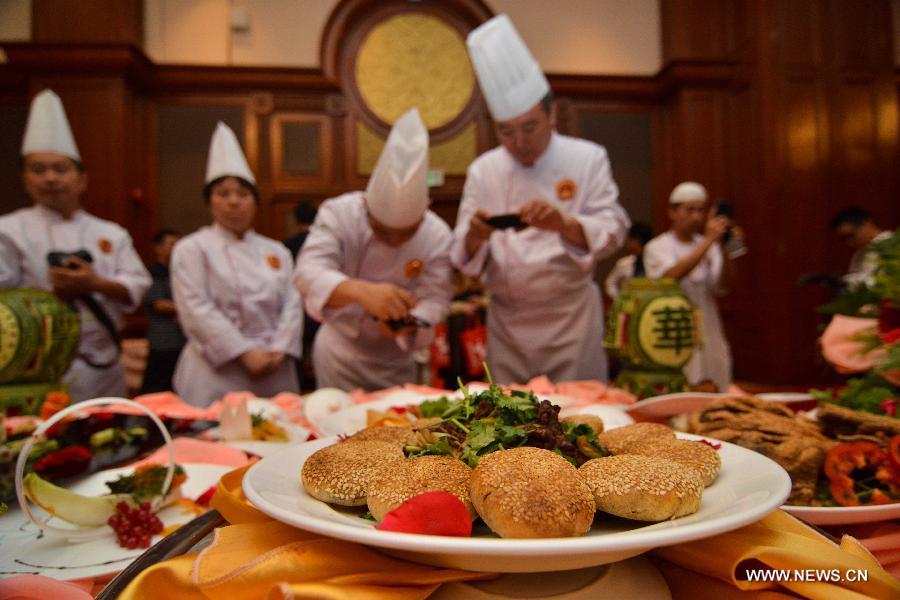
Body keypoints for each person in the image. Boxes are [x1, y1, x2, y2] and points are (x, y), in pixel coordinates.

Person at [451, 15, 630, 385]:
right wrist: (476, 233)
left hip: (571, 320)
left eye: (530, 127)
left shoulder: (587, 157)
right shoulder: (484, 170)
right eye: (506, 132)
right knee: (509, 429)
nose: (520, 142)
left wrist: (562, 223)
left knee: (580, 419)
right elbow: (462, 253)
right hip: (507, 322)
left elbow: (614, 229)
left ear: (551, 113)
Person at [0, 90, 151, 401]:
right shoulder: (8, 230)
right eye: (38, 170)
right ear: (25, 179)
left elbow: (138, 285)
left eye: (60, 169)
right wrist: (50, 295)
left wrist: (94, 283)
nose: (51, 178)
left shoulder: (111, 233)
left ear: (82, 178)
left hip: (103, 364)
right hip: (34, 368)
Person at [294, 108, 453, 391]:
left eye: (406, 234)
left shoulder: (437, 233)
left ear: (424, 214)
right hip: (340, 356)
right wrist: (362, 291)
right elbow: (307, 272)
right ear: (366, 208)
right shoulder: (338, 213)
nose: (393, 241)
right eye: (382, 231)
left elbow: (437, 298)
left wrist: (413, 321)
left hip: (397, 359)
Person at [170, 122, 301, 406]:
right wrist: (243, 353)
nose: (234, 202)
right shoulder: (192, 248)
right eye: (223, 193)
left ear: (255, 202)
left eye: (242, 194)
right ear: (210, 202)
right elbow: (195, 308)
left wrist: (280, 347)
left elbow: (293, 303)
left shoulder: (276, 251)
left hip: (274, 368)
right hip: (218, 370)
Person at [643, 181, 744, 391]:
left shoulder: (712, 245)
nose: (697, 217)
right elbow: (670, 277)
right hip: (674, 331)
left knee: (716, 387)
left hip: (709, 327)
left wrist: (726, 250)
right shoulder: (657, 246)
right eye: (690, 210)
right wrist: (708, 242)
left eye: (701, 210)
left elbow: (724, 285)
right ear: (672, 211)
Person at [139, 229, 186, 394]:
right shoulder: (153, 273)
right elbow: (159, 304)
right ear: (158, 248)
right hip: (163, 341)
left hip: (181, 341)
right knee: (156, 389)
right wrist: (191, 307)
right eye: (171, 244)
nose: (176, 248)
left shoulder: (179, 273)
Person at [830, 207, 892, 290]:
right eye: (844, 239)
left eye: (851, 235)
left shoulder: (893, 245)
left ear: (866, 224)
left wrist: (848, 280)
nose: (849, 242)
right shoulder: (860, 252)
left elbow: (884, 282)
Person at [604, 222, 654, 299]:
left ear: (636, 240)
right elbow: (610, 283)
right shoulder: (624, 263)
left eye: (629, 239)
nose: (627, 242)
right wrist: (619, 299)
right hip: (628, 304)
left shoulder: (655, 261)